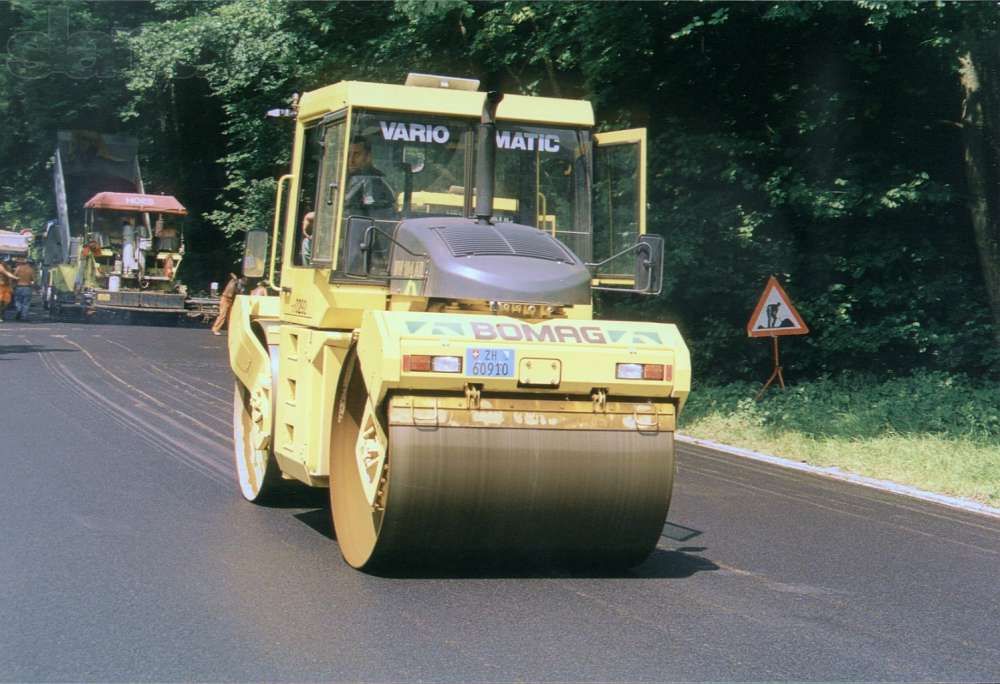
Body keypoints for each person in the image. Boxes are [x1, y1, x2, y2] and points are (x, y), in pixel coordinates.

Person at [345, 137, 394, 212]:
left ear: (368, 157)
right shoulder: (339, 175)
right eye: (348, 155)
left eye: (356, 154)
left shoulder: (377, 179)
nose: (350, 160)